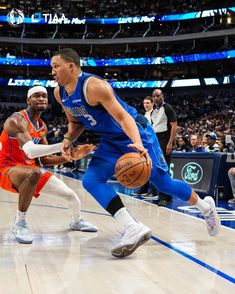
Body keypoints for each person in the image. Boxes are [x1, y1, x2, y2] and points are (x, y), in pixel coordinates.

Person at [51, 48, 220, 258]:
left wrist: (138, 144)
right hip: (111, 139)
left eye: (55, 66)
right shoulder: (60, 93)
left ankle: (205, 208)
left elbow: (123, 118)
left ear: (71, 66)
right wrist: (68, 139)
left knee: (162, 183)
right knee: (91, 180)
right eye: (52, 67)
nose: (52, 71)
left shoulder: (95, 86)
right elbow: (75, 122)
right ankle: (132, 227)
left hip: (136, 132)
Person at [0, 85, 97, 244]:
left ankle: (76, 221)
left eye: (44, 96)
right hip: (6, 168)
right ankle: (20, 223)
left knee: (70, 196)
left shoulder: (42, 126)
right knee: (34, 173)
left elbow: (44, 159)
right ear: (28, 100)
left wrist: (70, 156)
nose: (41, 99)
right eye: (36, 96)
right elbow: (31, 151)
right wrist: (62, 145)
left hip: (29, 169)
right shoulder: (16, 120)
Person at [151, 89, 177, 206]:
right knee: (158, 168)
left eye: (158, 95)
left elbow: (174, 126)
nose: (156, 98)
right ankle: (162, 196)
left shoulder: (168, 108)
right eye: (154, 96)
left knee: (163, 169)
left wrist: (170, 142)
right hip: (156, 140)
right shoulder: (153, 112)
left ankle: (167, 198)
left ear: (163, 96)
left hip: (164, 139)